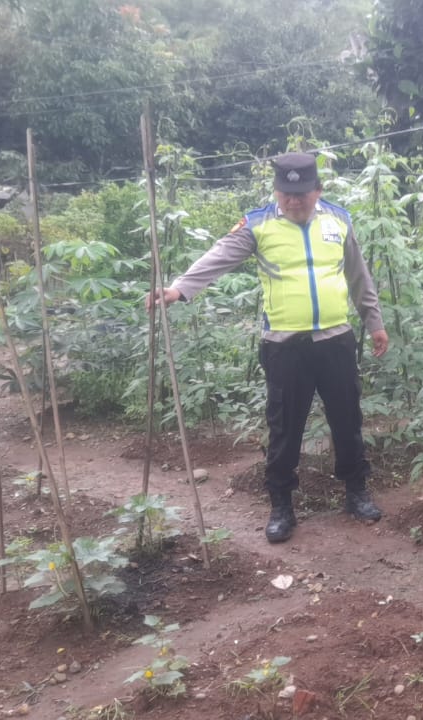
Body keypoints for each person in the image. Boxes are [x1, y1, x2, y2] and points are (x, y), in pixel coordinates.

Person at [148, 152, 389, 544]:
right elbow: (219, 256)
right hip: (285, 346)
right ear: (276, 191)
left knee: (347, 421)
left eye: (301, 194)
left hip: (336, 342)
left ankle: (356, 491)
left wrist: (374, 322)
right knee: (284, 428)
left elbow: (359, 276)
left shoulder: (339, 220)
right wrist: (180, 289)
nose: (292, 201)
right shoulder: (258, 224)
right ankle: (281, 505)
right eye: (285, 193)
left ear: (318, 190)